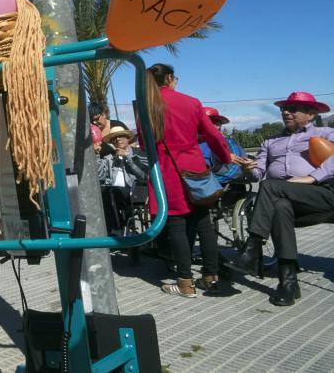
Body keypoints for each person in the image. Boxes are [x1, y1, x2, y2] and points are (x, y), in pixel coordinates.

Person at [226, 92, 334, 306]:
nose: (286, 112)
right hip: (282, 198)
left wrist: (311, 177)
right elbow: (259, 175)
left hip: (321, 194)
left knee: (270, 189)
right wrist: (249, 169)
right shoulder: (270, 141)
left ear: (311, 114)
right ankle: (289, 283)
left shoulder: (327, 133)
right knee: (279, 206)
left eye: (293, 109)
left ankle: (252, 249)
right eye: (284, 109)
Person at [142, 63, 232, 297]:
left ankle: (185, 283)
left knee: (177, 227)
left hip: (166, 171)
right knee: (204, 222)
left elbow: (144, 144)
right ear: (170, 78)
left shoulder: (146, 105)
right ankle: (211, 277)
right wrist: (225, 157)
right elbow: (213, 134)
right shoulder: (191, 102)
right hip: (194, 169)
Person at [97, 126, 149, 235]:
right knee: (104, 192)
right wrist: (97, 155)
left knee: (110, 192)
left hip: (135, 191)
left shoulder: (138, 154)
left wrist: (128, 158)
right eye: (114, 138)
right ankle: (116, 229)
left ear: (127, 138)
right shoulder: (108, 158)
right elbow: (100, 176)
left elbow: (143, 175)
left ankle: (117, 232)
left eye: (121, 136)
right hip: (112, 193)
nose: (118, 139)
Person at [200, 107, 245, 185]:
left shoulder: (229, 143)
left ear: (218, 126)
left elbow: (236, 169)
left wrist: (209, 183)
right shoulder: (193, 144)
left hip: (222, 190)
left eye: (215, 123)